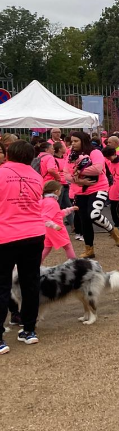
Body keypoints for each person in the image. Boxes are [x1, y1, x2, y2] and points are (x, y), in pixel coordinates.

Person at [0, 140, 45, 352]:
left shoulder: (1, 173)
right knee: (30, 283)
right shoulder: (37, 177)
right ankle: (29, 329)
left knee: (2, 286)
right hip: (34, 234)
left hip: (6, 234)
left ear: (9, 154)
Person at [65, 131, 119, 258]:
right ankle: (89, 249)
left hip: (98, 188)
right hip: (79, 191)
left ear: (83, 141)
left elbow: (97, 168)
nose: (73, 144)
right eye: (72, 141)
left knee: (93, 214)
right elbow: (66, 173)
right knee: (84, 220)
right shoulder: (70, 155)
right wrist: (78, 180)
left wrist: (79, 170)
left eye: (76, 141)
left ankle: (113, 230)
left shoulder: (95, 152)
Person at [40, 180, 78, 262]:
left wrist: (70, 209)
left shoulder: (45, 201)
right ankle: (75, 264)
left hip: (48, 229)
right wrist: (54, 226)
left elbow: (57, 213)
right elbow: (46, 217)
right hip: (57, 228)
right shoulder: (52, 203)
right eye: (60, 190)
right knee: (68, 246)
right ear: (56, 191)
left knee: (47, 247)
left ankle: (35, 265)